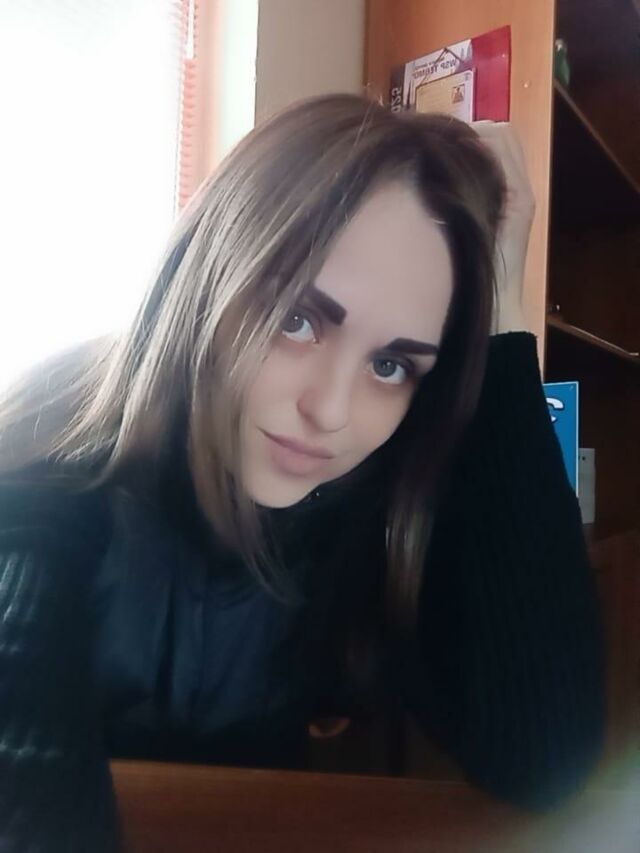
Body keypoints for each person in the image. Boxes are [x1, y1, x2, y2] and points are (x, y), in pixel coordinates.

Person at [0, 95, 605, 851]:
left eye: (392, 365)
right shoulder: (48, 472)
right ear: (209, 272)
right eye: (297, 319)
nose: (330, 409)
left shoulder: (365, 506)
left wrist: (503, 316)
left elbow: (547, 755)